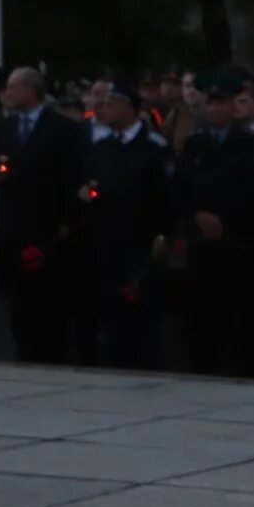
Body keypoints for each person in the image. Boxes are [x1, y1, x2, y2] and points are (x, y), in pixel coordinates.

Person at [0, 66, 85, 363]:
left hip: (48, 227)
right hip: (13, 227)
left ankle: (53, 358)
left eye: (14, 88)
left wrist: (67, 221)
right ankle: (24, 356)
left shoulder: (63, 129)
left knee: (50, 305)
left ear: (31, 90)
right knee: (18, 303)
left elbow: (71, 176)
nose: (8, 94)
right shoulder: (5, 128)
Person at [175, 71, 254, 375]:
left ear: (232, 106)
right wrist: (196, 216)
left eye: (222, 103)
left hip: (237, 243)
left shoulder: (252, 145)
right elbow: (180, 189)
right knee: (201, 313)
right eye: (210, 103)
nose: (215, 109)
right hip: (201, 245)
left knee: (238, 312)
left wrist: (226, 221)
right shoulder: (194, 146)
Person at [76, 82, 173, 368]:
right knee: (111, 312)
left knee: (143, 313)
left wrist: (163, 233)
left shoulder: (153, 147)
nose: (106, 109)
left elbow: (166, 195)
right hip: (106, 242)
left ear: (131, 109)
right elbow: (88, 182)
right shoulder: (103, 147)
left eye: (113, 104)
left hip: (141, 242)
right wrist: (87, 193)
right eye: (104, 103)